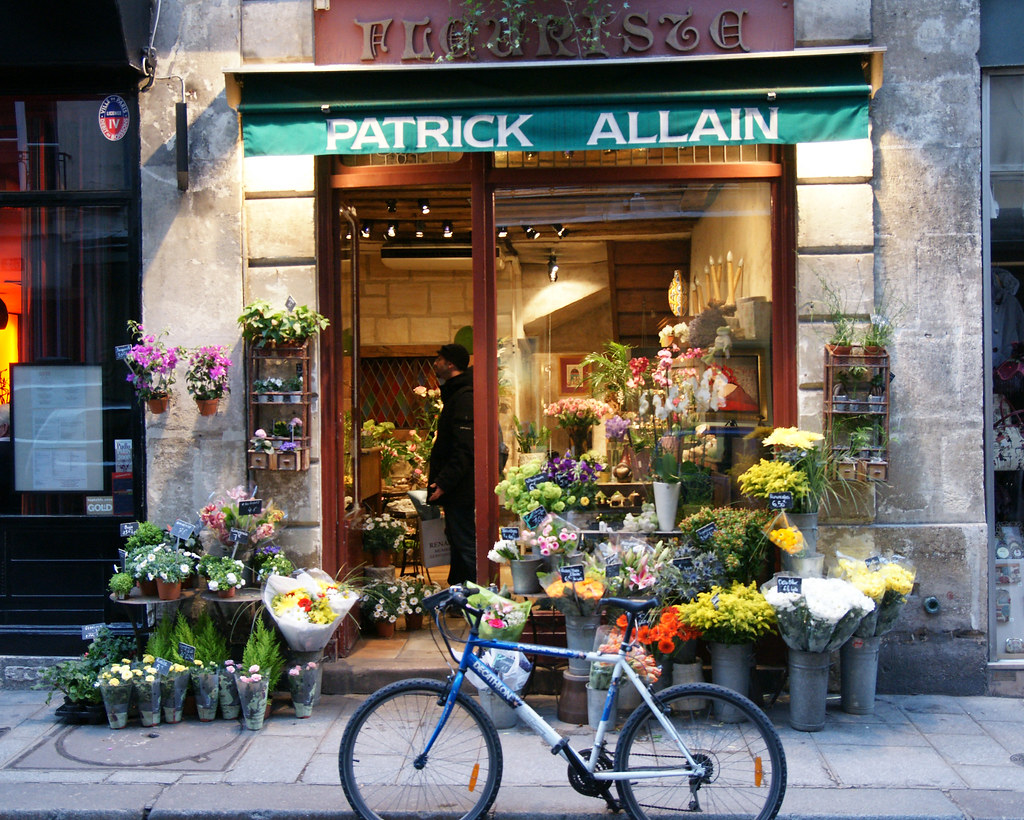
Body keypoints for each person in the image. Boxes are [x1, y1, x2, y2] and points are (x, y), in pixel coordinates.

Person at [427, 343, 476, 585]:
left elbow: (464, 449)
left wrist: (444, 483)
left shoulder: (464, 397)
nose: (435, 363)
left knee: (464, 542)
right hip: (457, 487)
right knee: (457, 539)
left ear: (451, 364)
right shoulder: (456, 393)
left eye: (440, 359)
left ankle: (475, 598)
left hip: (461, 488)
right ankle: (459, 594)